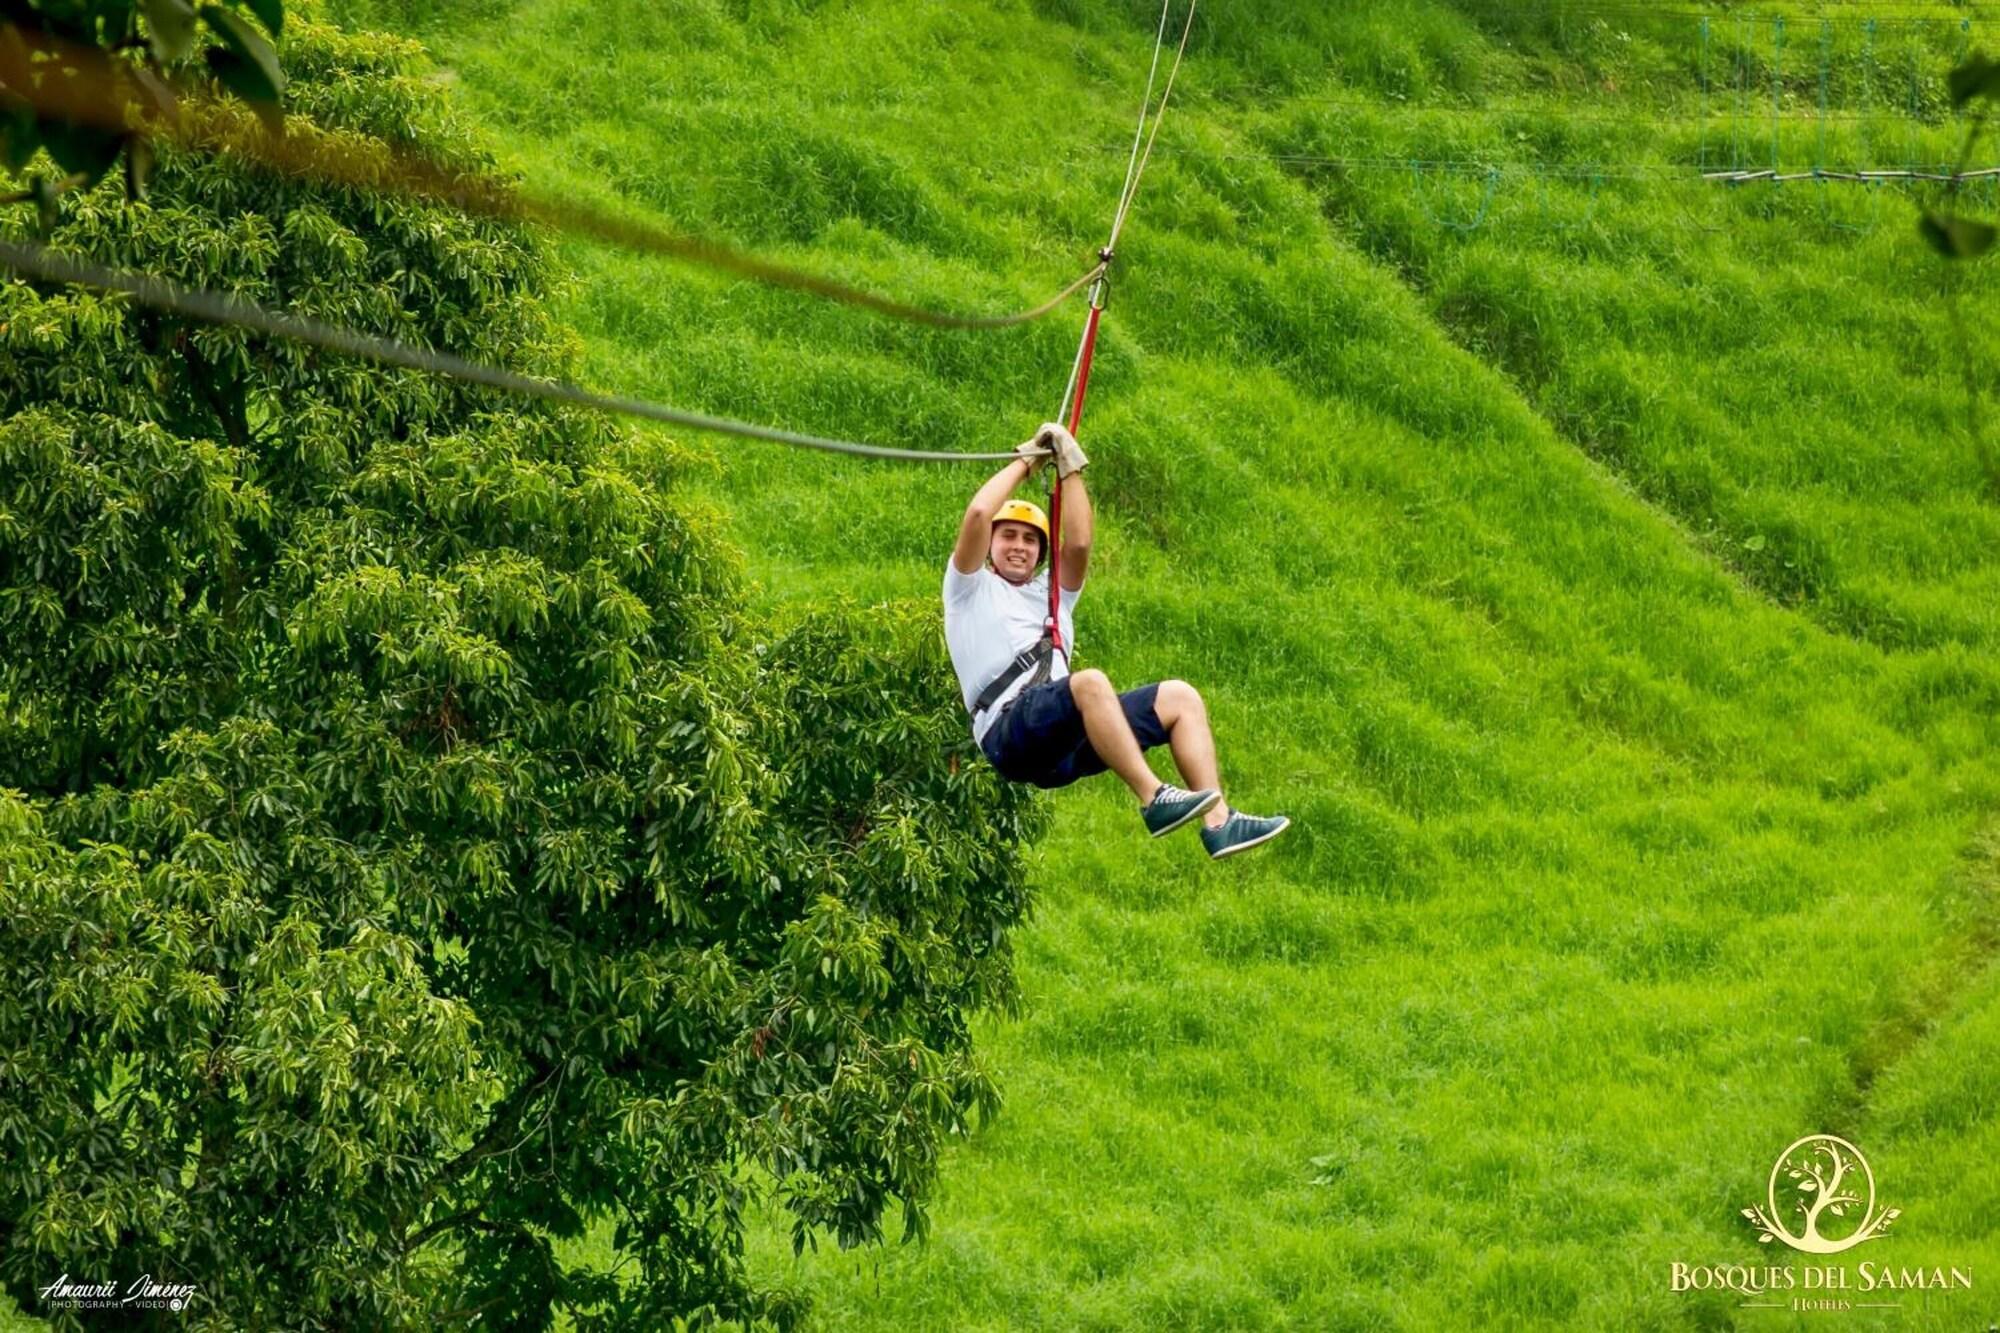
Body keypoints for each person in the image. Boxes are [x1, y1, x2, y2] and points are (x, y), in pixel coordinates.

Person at [941, 421, 1291, 859]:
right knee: (1089, 683)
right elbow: (976, 515)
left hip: (1062, 741)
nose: (1019, 546)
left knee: (1180, 699)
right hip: (1008, 732)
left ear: (1040, 554)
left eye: (1031, 540)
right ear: (990, 544)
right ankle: (1153, 797)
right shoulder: (968, 589)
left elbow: (1081, 544)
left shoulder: (1052, 597)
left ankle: (1219, 822)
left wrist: (1070, 469)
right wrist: (1026, 463)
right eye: (1008, 535)